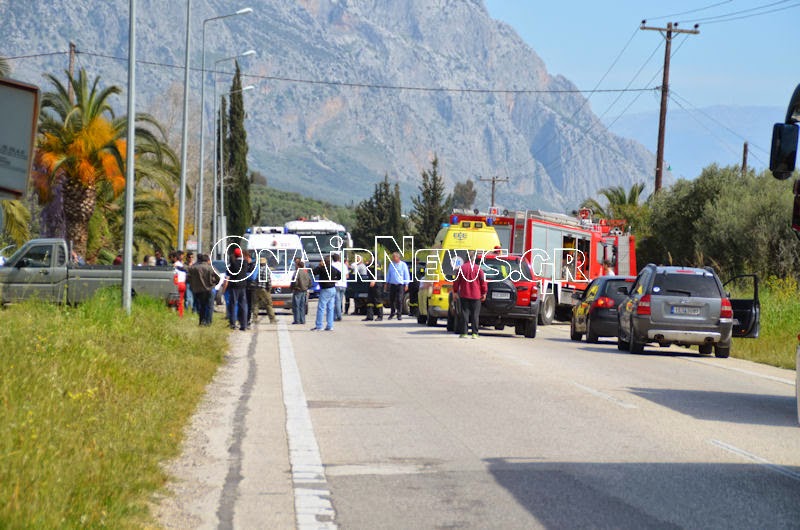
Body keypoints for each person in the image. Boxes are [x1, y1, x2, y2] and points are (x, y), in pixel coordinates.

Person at [452, 250, 487, 339]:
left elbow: (456, 281)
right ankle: (475, 333)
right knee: (475, 314)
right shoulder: (479, 269)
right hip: (476, 296)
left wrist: (455, 292)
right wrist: (484, 293)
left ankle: (464, 333)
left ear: (466, 258)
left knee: (465, 313)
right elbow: (483, 282)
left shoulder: (461, 268)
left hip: (464, 294)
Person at [188, 254, 220, 326]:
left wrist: (193, 284)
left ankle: (201, 321)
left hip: (199, 290)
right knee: (209, 306)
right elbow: (218, 277)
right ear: (207, 260)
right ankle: (208, 322)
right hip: (210, 289)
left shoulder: (194, 268)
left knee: (201, 306)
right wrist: (214, 283)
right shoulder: (211, 268)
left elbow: (188, 276)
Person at [311, 256, 339, 331]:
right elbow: (340, 274)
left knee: (321, 307)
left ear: (324, 262)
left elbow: (313, 272)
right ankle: (330, 325)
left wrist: (319, 265)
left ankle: (319, 325)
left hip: (325, 289)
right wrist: (334, 280)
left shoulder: (322, 268)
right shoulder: (333, 268)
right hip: (333, 289)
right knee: (330, 308)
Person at [227, 247, 249, 331]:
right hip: (243, 285)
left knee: (233, 304)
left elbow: (230, 271)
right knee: (243, 305)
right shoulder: (245, 262)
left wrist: (232, 258)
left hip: (234, 286)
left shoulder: (233, 263)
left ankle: (233, 323)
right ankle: (244, 324)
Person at [385, 252, 410, 320]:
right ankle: (392, 313)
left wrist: (406, 284)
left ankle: (399, 314)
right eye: (392, 257)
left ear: (398, 257)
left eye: (394, 257)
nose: (393, 258)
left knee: (399, 300)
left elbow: (406, 275)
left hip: (400, 285)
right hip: (392, 284)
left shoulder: (403, 265)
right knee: (391, 300)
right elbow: (389, 274)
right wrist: (386, 283)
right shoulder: (391, 264)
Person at [253, 256, 277, 324]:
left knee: (256, 304)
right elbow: (268, 281)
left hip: (257, 288)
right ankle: (272, 319)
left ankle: (254, 319)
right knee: (268, 304)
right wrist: (269, 288)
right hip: (264, 289)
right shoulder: (266, 270)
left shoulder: (257, 270)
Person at [363, 256, 384, 322]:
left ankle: (380, 316)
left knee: (378, 300)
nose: (370, 258)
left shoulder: (377, 263)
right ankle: (369, 316)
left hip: (377, 284)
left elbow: (378, 273)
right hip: (370, 284)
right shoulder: (370, 263)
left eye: (371, 256)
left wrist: (374, 280)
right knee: (370, 301)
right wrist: (367, 264)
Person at [291, 257, 311, 324]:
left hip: (298, 291)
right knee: (302, 306)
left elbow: (294, 281)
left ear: (298, 266)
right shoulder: (306, 273)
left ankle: (297, 320)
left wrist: (293, 287)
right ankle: (302, 320)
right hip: (304, 291)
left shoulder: (297, 272)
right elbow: (310, 282)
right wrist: (307, 287)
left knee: (296, 306)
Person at [332, 253, 347, 321]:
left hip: (336, 284)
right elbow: (347, 276)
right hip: (343, 285)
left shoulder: (332, 265)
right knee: (339, 301)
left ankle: (339, 316)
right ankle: (335, 316)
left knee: (337, 301)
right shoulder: (344, 265)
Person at [173, 252, 187, 318]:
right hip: (183, 283)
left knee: (174, 299)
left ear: (175, 258)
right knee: (181, 300)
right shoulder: (182, 265)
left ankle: (176, 313)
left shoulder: (175, 265)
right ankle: (181, 313)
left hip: (177, 283)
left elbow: (174, 275)